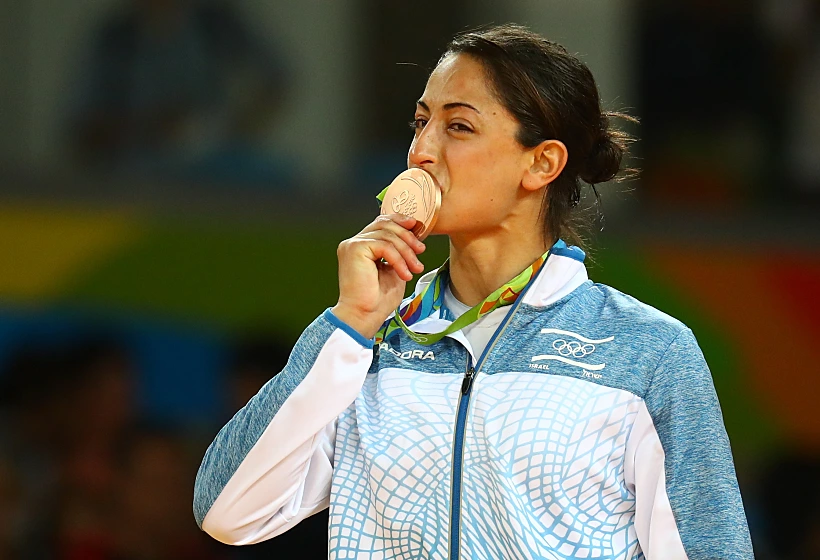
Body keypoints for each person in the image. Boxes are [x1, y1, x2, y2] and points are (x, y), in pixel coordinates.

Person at [193, 24, 754, 559]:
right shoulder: (370, 346)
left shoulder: (645, 352)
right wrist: (348, 324)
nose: (421, 151)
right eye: (420, 123)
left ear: (542, 163)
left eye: (458, 126)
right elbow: (226, 513)